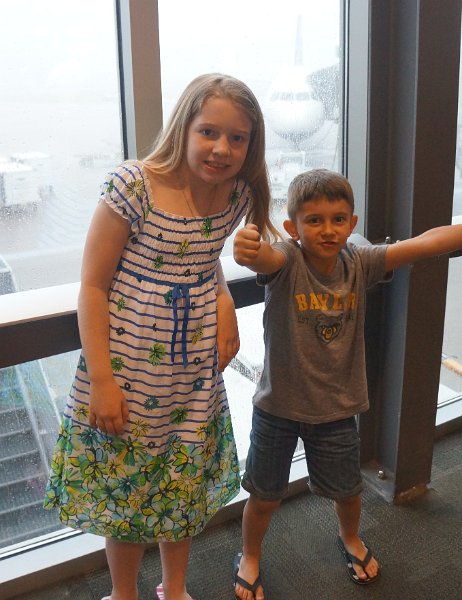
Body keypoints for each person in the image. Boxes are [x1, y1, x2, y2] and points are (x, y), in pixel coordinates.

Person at [43, 73, 278, 600]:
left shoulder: (236, 195)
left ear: (251, 144)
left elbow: (203, 260)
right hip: (127, 372)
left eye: (237, 138)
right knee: (125, 496)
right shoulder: (134, 186)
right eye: (209, 132)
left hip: (192, 377)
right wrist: (101, 381)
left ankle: (174, 590)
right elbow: (92, 287)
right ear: (184, 127)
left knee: (182, 490)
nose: (221, 148)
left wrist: (223, 301)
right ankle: (123, 593)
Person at [232, 168, 462, 600]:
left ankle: (350, 538)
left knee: (348, 491)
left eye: (338, 219)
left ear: (352, 223)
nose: (328, 230)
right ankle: (250, 555)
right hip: (277, 407)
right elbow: (264, 259)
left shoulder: (359, 262)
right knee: (263, 496)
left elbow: (426, 243)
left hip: (337, 410)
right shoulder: (287, 260)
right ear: (293, 228)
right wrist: (249, 251)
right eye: (314, 220)